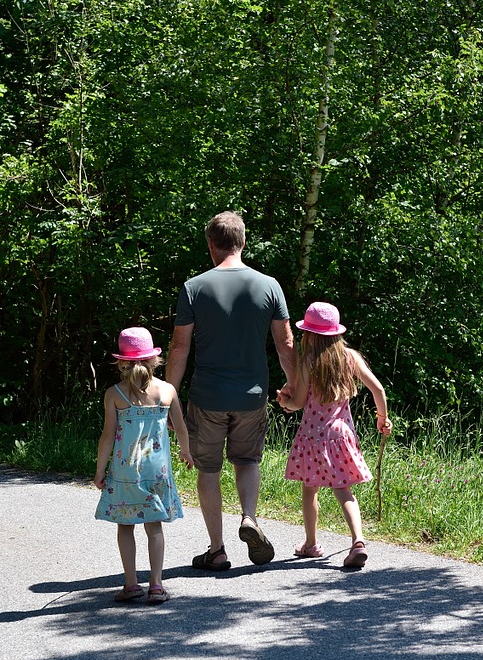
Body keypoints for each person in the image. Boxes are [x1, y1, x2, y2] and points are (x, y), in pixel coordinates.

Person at [167, 211, 297, 570]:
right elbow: (285, 344)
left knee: (208, 470)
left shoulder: (195, 287)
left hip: (207, 396)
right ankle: (250, 518)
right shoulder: (269, 285)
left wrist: (168, 397)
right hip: (251, 397)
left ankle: (217, 550)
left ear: (211, 245)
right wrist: (295, 386)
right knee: (247, 460)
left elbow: (180, 348)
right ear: (242, 242)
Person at [277, 301, 391, 569]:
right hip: (341, 435)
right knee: (343, 489)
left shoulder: (308, 362)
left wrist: (285, 403)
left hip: (314, 437)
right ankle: (358, 541)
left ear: (309, 334)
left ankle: (311, 544)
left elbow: (299, 402)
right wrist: (382, 418)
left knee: (309, 488)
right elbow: (379, 390)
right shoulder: (350, 357)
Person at [94, 327, 194, 603]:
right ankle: (157, 586)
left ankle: (130, 584)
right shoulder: (167, 391)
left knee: (125, 525)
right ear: (154, 360)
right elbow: (181, 428)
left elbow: (107, 435)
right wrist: (186, 453)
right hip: (157, 469)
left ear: (121, 362)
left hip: (126, 470)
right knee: (154, 526)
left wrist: (100, 469)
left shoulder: (114, 394)